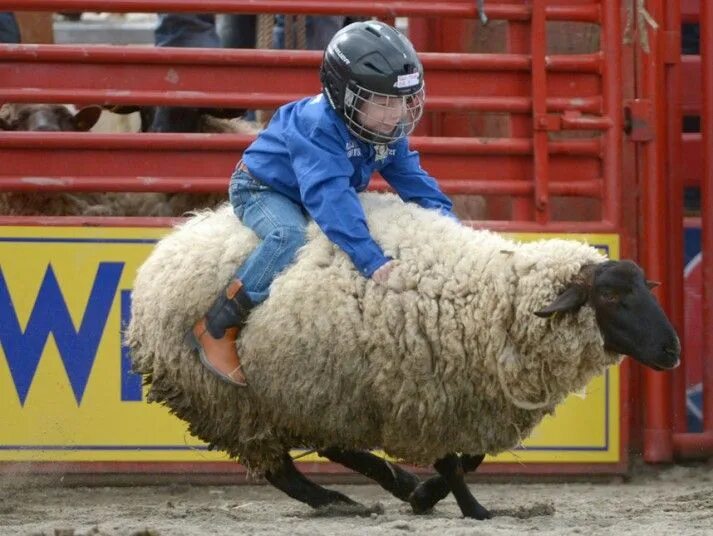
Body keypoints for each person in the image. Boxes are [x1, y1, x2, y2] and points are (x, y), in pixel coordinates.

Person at [189, 20, 456, 386]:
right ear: (344, 95)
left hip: (310, 187)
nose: (396, 114)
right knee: (289, 237)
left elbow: (413, 180)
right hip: (266, 188)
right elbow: (329, 197)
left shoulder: (381, 128)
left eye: (402, 101)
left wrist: (448, 227)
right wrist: (371, 260)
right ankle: (218, 324)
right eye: (382, 102)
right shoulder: (317, 127)